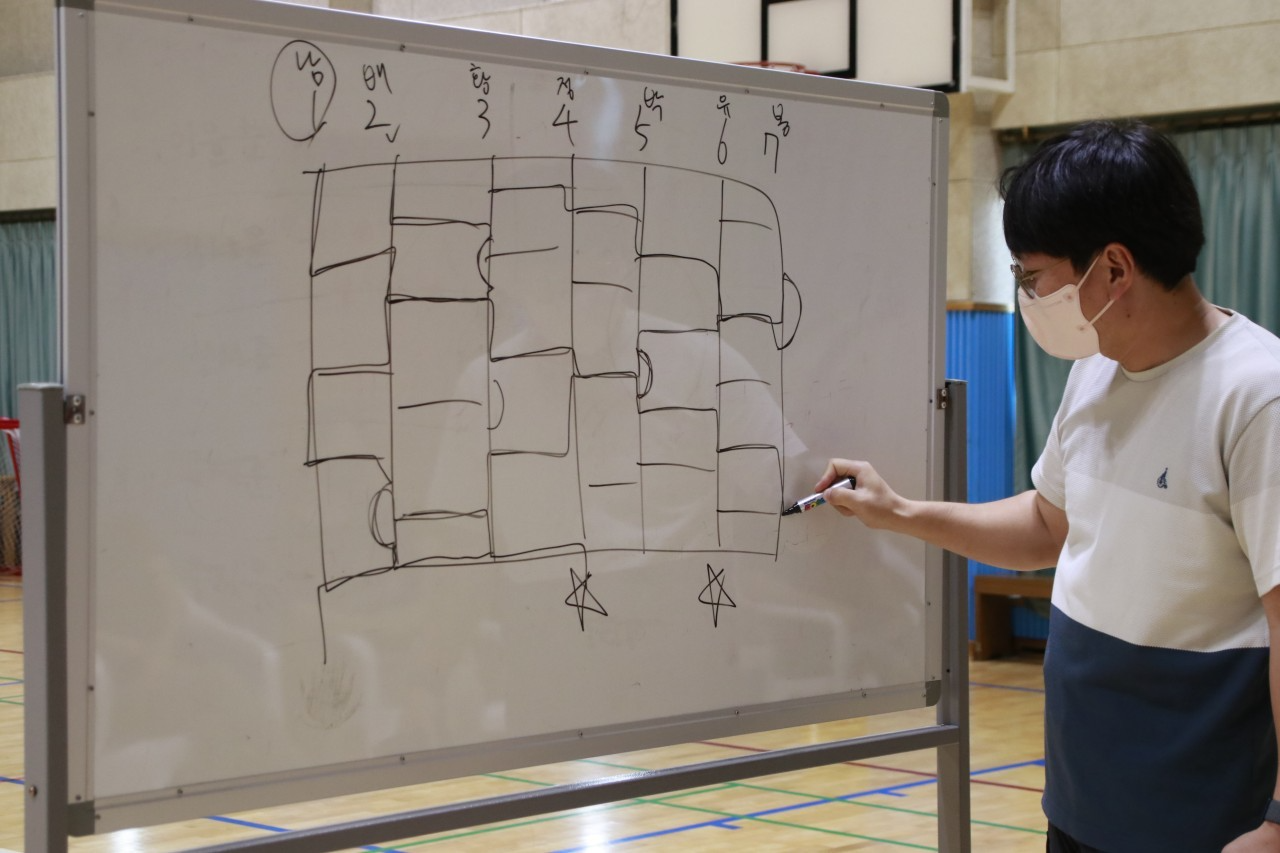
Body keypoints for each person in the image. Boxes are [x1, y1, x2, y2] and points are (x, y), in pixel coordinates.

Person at [816, 120, 1280, 852]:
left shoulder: (1256, 397)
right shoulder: (1094, 370)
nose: (1029, 296)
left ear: (1114, 268)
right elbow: (1045, 525)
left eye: (1033, 277)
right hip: (1083, 797)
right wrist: (898, 511)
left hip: (1204, 816)